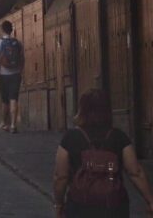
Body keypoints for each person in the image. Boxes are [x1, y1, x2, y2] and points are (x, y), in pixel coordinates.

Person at [53, 89, 153, 218]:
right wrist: (150, 200)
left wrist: (59, 204)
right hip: (114, 206)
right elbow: (135, 172)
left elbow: (60, 176)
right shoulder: (119, 137)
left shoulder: (70, 138)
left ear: (82, 110)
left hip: (80, 206)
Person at [0, 20, 23, 133]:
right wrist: (19, 71)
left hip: (3, 75)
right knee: (14, 99)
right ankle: (13, 125)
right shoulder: (18, 43)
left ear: (2, 30)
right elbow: (22, 59)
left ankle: (4, 123)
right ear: (12, 30)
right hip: (16, 75)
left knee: (5, 101)